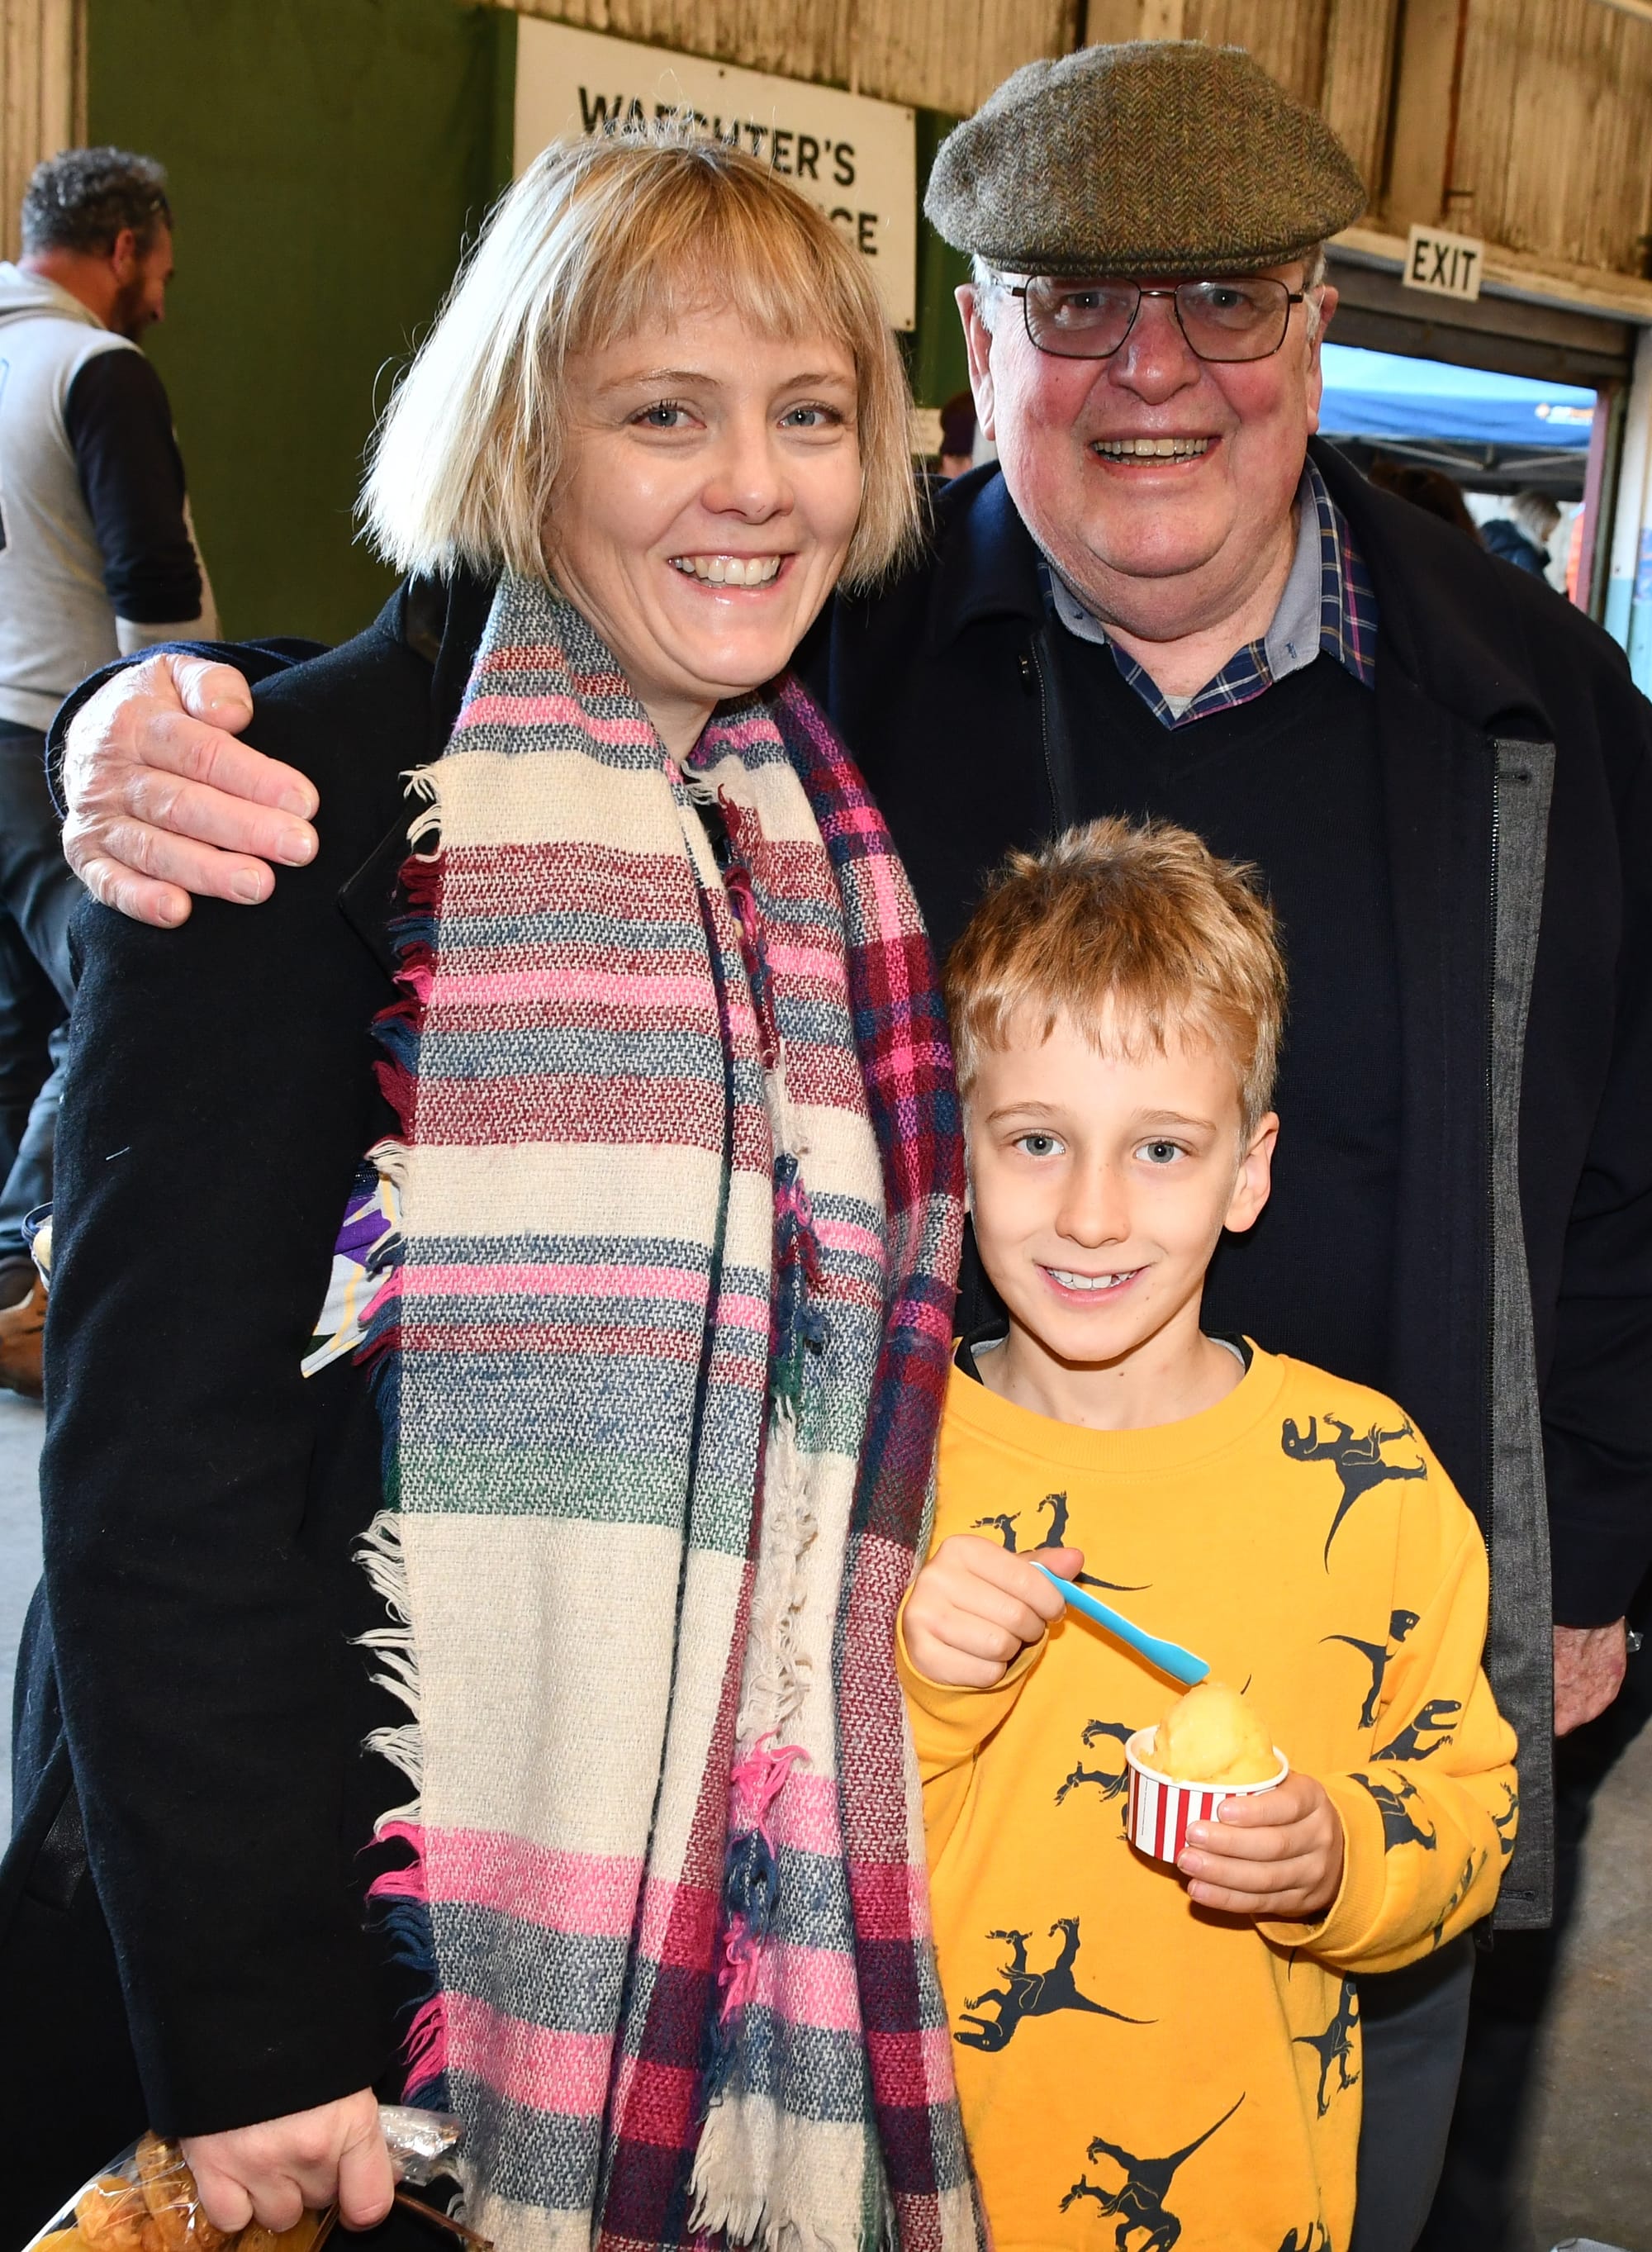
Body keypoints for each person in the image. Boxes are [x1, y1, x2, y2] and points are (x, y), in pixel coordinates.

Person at [44, 39, 1652, 2250]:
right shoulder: (610, 730)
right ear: (981, 356)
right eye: (1076, 303)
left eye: (803, 415)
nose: (1155, 369)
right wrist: (123, 733)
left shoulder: (1526, 689)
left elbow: (1635, 1158)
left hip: (1306, 1700)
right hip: (574, 1875)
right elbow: (164, 1459)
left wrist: (1600, 1556)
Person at [1, 134, 978, 2252]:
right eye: (662, 412)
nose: (754, 484)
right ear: (525, 435)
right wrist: (254, 2028)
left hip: (711, 1915)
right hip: (360, 1980)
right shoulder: (284, 809)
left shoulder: (809, 840)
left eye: (807, 414)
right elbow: (155, 1475)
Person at [901, 816, 1517, 2250]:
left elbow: (1476, 1806)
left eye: (1164, 1148)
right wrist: (927, 1697)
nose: (1095, 1213)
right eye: (1037, 1139)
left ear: (1250, 1170)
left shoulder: (1371, 1476)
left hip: (1253, 2202)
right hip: (913, 2191)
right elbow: (776, 1839)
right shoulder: (880, 1467)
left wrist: (1341, 1858)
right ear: (964, 1152)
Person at [0, 145, 215, 1395]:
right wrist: (183, 724)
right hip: (51, 738)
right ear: (125, 248)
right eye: (164, 272)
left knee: (20, 1019)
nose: (164, 302)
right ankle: (25, 1277)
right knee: (113, 991)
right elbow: (152, 580)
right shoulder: (97, 367)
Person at [1479, 488, 1561, 578]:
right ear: (1536, 527)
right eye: (1546, 532)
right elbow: (1536, 591)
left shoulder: (1487, 537)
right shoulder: (1524, 556)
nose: (1547, 539)